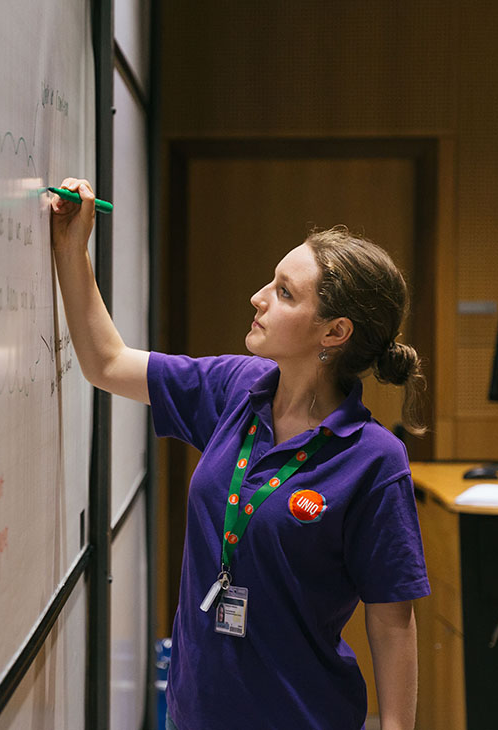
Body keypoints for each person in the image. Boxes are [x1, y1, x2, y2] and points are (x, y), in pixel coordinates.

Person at [50, 178, 430, 730]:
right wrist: (71, 247)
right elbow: (105, 363)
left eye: (284, 292)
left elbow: (392, 618)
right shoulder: (238, 387)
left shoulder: (375, 460)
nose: (258, 298)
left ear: (335, 331)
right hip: (194, 713)